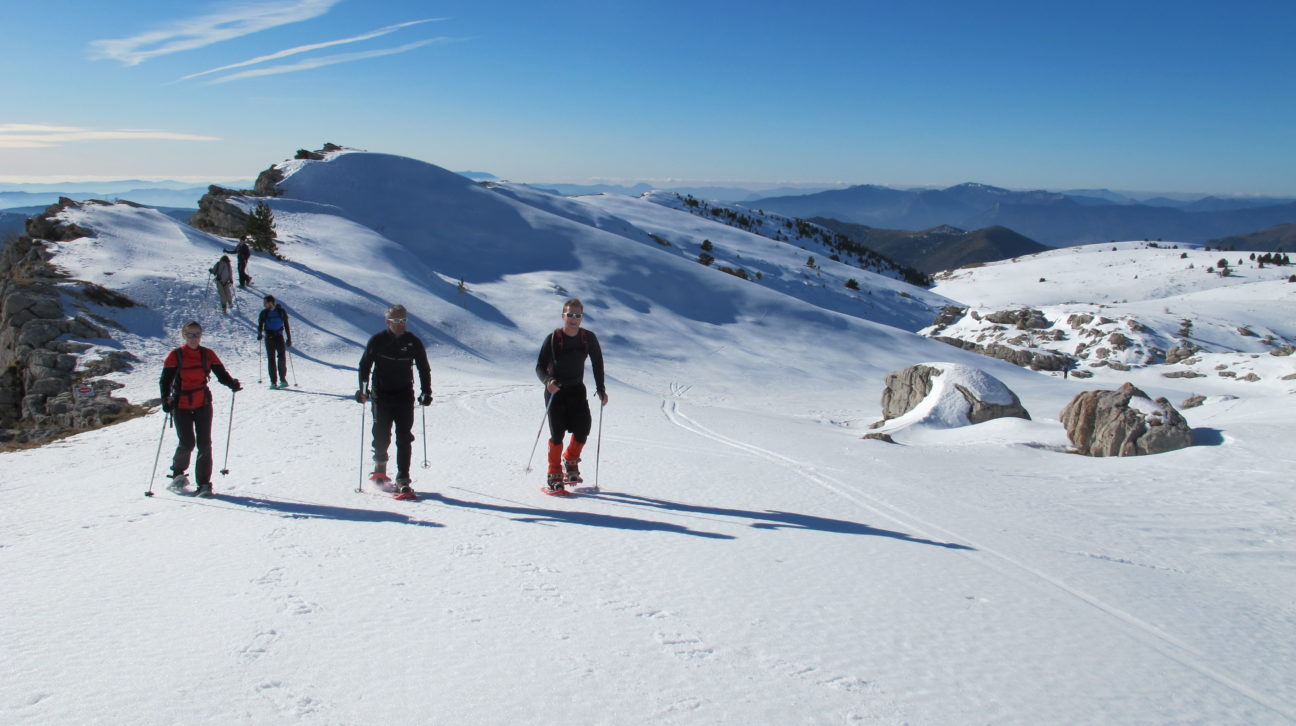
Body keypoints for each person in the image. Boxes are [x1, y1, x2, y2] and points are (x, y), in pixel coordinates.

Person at [355, 304, 432, 496]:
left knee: (404, 437)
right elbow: (365, 366)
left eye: (404, 320)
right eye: (397, 321)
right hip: (381, 395)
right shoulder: (378, 341)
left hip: (404, 395)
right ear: (388, 322)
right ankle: (380, 467)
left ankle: (403, 480)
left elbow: (423, 368)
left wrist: (426, 392)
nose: (401, 324)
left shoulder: (413, 342)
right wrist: (363, 391)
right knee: (381, 436)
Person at [159, 320, 241, 498]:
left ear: (201, 335)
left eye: (196, 334)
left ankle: (204, 483)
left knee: (204, 444)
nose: (194, 338)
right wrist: (165, 399)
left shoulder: (208, 354)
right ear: (184, 336)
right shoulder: (175, 355)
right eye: (190, 334)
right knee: (187, 442)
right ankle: (178, 473)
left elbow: (221, 374)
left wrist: (231, 384)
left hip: (202, 402)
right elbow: (165, 380)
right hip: (181, 405)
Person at [535, 298, 607, 492]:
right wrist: (548, 382)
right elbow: (540, 366)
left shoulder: (588, 338)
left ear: (581, 318)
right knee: (557, 434)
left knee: (583, 429)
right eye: (570, 315)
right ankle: (554, 473)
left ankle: (571, 459)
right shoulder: (553, 338)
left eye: (577, 315)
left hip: (577, 390)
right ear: (563, 316)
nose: (573, 319)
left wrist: (601, 388)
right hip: (555, 391)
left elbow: (597, 363)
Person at [256, 295, 293, 389]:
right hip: (269, 338)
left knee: (281, 358)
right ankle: (273, 382)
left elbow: (286, 325)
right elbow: (260, 325)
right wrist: (259, 334)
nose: (264, 305)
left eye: (265, 303)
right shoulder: (264, 313)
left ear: (271, 302)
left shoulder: (281, 312)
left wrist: (289, 338)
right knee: (271, 359)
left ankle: (283, 380)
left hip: (279, 336)